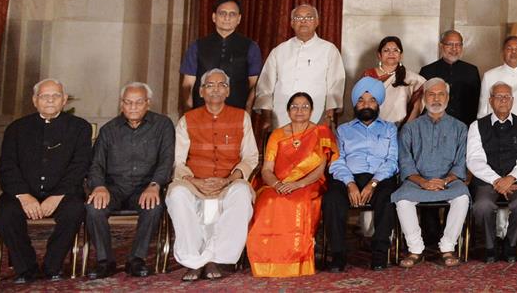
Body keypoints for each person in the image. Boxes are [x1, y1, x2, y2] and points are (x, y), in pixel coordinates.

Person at [0, 78, 92, 284]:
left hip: (63, 193)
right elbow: (7, 167)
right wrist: (24, 196)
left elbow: (80, 166)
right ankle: (25, 267)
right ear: (34, 100)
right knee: (6, 213)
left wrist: (57, 197)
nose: (50, 100)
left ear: (64, 99)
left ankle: (52, 265)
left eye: (55, 96)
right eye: (44, 96)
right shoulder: (16, 128)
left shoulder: (79, 127)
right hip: (22, 192)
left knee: (75, 210)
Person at [166, 68, 259, 282]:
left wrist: (229, 179)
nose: (216, 89)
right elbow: (178, 161)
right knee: (177, 195)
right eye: (210, 85)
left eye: (221, 85)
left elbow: (250, 157)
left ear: (228, 91)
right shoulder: (187, 120)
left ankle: (216, 258)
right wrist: (195, 181)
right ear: (201, 91)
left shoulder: (241, 117)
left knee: (242, 195)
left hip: (229, 183)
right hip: (194, 182)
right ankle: (194, 260)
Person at [84, 82, 174, 279]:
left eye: (138, 102)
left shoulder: (163, 125)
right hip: (113, 188)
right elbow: (96, 164)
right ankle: (104, 261)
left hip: (145, 187)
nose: (133, 107)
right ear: (121, 104)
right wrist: (99, 187)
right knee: (93, 208)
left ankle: (136, 259)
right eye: (128, 102)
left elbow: (167, 161)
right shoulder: (108, 130)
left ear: (148, 103)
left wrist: (155, 185)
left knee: (153, 206)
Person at [247, 92, 338, 277]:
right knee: (268, 202)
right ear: (288, 111)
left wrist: (298, 185)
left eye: (305, 106)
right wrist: (278, 184)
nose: (300, 110)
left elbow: (319, 170)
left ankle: (297, 262)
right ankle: (266, 261)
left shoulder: (321, 133)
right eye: (295, 106)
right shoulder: (277, 134)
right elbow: (266, 169)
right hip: (278, 183)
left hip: (309, 184)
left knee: (298, 203)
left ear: (312, 110)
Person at [324, 76, 401, 272]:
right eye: (361, 100)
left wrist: (373, 183)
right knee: (332, 199)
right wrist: (350, 183)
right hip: (348, 176)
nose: (366, 104)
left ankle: (379, 254)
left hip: (379, 177)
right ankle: (339, 255)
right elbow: (337, 161)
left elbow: (392, 161)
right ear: (355, 104)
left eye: (372, 100)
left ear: (378, 104)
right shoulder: (343, 130)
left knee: (389, 198)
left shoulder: (390, 129)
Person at [391, 78, 470, 267]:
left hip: (449, 181)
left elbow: (461, 162)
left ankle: (447, 246)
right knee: (402, 199)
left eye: (441, 94)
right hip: (417, 181)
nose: (436, 98)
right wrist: (423, 182)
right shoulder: (410, 128)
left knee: (462, 197)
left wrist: (446, 180)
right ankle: (415, 249)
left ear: (448, 98)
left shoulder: (460, 128)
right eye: (431, 94)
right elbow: (405, 161)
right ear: (424, 98)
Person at [467, 81, 517, 263]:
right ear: (490, 100)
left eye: (507, 97)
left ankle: (511, 244)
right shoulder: (476, 126)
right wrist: (497, 180)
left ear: (512, 100)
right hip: (487, 180)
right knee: (482, 206)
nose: (503, 100)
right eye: (499, 97)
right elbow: (474, 159)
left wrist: (511, 178)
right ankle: (490, 247)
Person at [253, 4, 346, 130]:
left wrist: (329, 116)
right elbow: (265, 87)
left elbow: (335, 87)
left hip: (317, 118)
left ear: (317, 22)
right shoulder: (279, 51)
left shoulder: (329, 50)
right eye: (298, 18)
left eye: (309, 17)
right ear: (291, 23)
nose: (303, 21)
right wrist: (267, 118)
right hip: (281, 119)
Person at [179, 0, 262, 111]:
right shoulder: (197, 46)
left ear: (239, 19)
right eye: (222, 13)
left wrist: (247, 111)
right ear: (214, 17)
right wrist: (188, 112)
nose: (227, 18)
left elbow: (254, 85)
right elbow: (188, 84)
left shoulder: (251, 47)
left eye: (232, 14)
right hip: (201, 112)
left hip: (236, 113)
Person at [421, 29, 482, 123]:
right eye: (450, 44)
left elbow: (477, 101)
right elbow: (421, 103)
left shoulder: (471, 71)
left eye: (458, 44)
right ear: (441, 46)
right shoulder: (427, 71)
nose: (454, 49)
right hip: (434, 124)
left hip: (465, 125)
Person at [363, 35, 424, 124]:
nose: (391, 53)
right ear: (379, 55)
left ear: (401, 55)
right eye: (386, 50)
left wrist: (405, 129)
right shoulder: (368, 75)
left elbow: (416, 108)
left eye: (395, 50)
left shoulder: (413, 79)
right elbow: (361, 103)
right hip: (372, 126)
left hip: (401, 130)